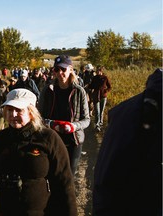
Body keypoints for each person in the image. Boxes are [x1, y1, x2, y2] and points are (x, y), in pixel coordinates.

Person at [0, 88, 78, 216]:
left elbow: (64, 183)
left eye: (19, 110)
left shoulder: (48, 138)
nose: (13, 114)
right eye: (9, 109)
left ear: (31, 112)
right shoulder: (0, 139)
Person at [93, 68, 162, 216]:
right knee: (98, 112)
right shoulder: (129, 115)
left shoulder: (123, 112)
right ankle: (97, 122)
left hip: (103, 96)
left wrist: (105, 91)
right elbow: (107, 180)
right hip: (136, 204)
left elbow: (104, 180)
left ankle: (98, 122)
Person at [38, 55, 90, 175]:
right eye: (57, 69)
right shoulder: (47, 90)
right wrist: (51, 123)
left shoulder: (79, 91)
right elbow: (38, 117)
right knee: (51, 174)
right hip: (51, 138)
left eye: (63, 69)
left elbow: (86, 119)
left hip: (73, 140)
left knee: (69, 175)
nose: (60, 73)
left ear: (71, 69)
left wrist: (73, 126)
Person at [88, 65, 111, 132]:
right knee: (97, 110)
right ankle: (97, 125)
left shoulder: (105, 78)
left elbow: (109, 87)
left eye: (98, 71)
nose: (97, 72)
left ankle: (100, 124)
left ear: (101, 71)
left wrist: (105, 91)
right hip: (96, 95)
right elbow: (92, 86)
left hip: (103, 96)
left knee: (101, 111)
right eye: (97, 71)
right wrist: (89, 86)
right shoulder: (94, 78)